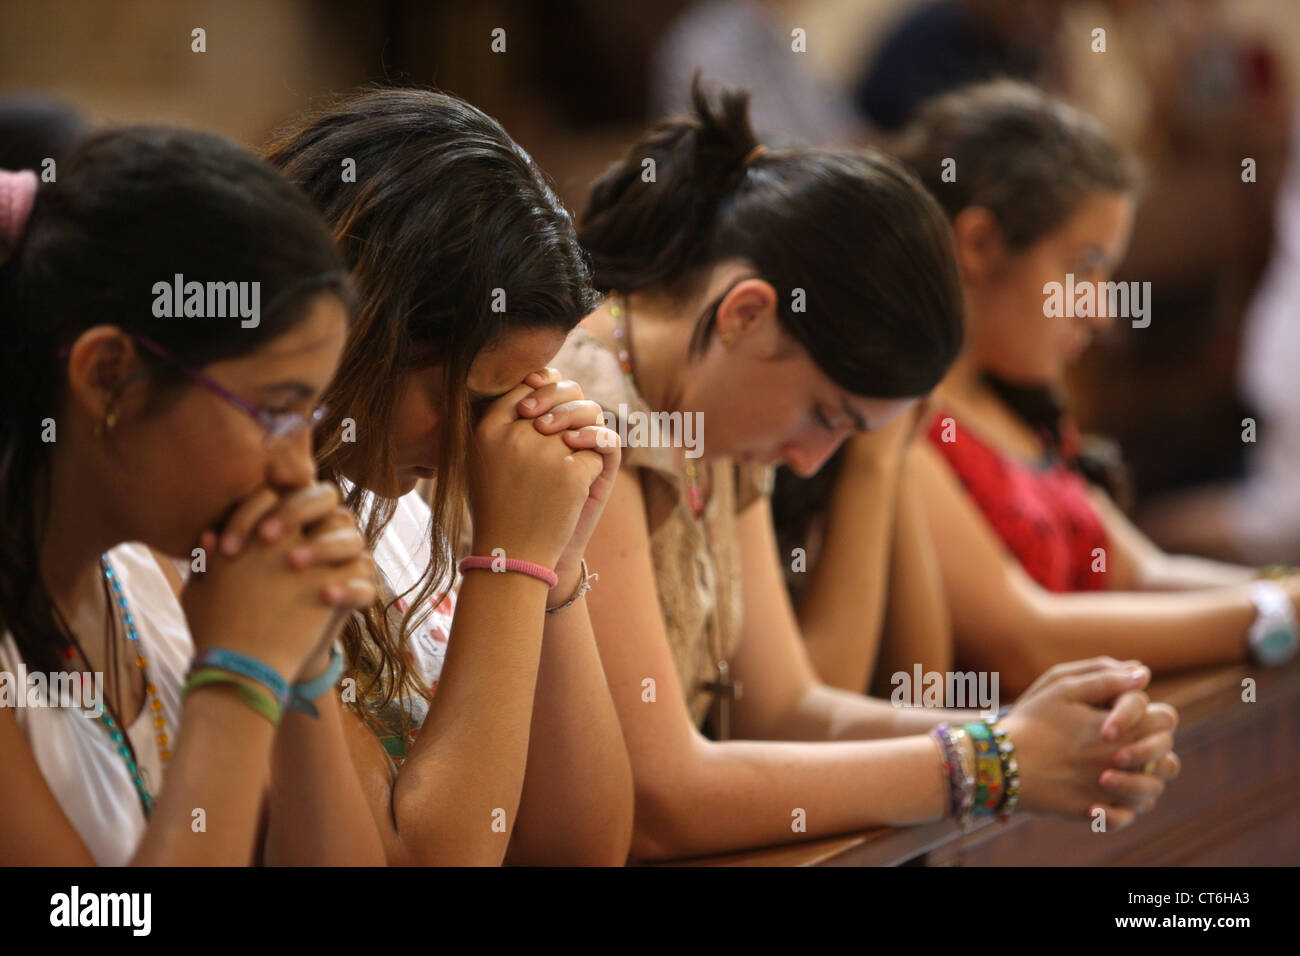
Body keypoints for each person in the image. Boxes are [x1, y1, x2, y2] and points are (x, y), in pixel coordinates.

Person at [550, 81, 1179, 860]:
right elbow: (659, 800)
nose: (812, 459)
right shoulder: (587, 413)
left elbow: (781, 708)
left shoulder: (712, 416)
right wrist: (992, 764)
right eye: (825, 414)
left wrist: (1023, 735)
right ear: (745, 313)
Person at [778, 80, 1299, 698]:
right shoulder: (898, 417)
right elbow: (1024, 641)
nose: (1104, 311)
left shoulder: (1015, 405)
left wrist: (1279, 593)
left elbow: (1140, 574)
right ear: (978, 244)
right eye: (1082, 267)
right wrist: (1271, 614)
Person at [240, 88, 633, 865]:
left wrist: (554, 561)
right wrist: (509, 563)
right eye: (478, 399)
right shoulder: (247, 537)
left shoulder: (405, 508)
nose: (483, 444)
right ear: (362, 334)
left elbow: (581, 848)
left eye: (521, 395)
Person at [0, 128, 384, 865]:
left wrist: (303, 665)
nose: (300, 474)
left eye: (313, 419)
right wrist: (239, 672)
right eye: (274, 412)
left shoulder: (155, 580)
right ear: (108, 375)